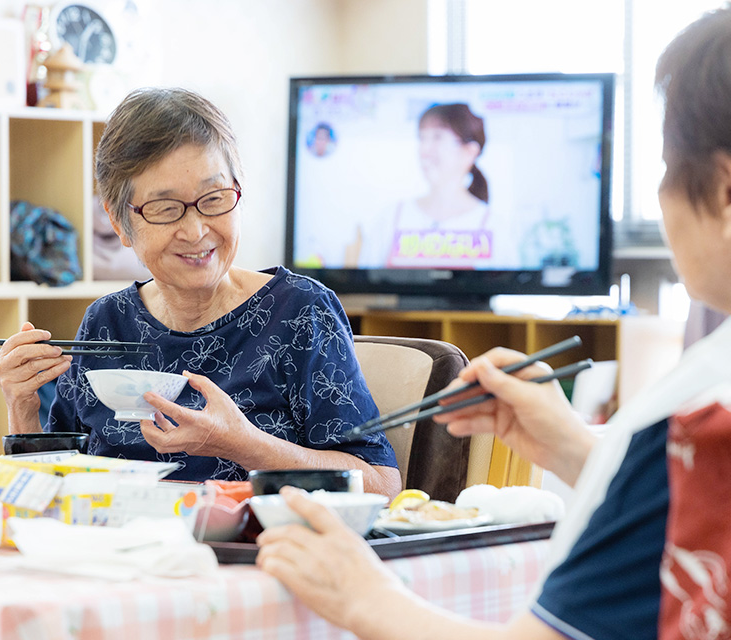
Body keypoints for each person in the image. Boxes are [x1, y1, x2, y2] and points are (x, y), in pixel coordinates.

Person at [256, 8, 731, 639]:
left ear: (723, 191)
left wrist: (364, 596)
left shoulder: (700, 419)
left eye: (666, 168)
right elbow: (692, 512)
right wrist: (571, 446)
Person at [0, 87, 400, 495]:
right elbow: (49, 492)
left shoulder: (299, 311)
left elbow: (382, 484)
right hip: (119, 554)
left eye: (213, 199)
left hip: (261, 554)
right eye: (166, 209)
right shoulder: (107, 322)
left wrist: (244, 445)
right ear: (119, 223)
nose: (196, 230)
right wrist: (22, 407)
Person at [355, 102, 492, 268]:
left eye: (437, 137)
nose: (424, 150)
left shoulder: (492, 224)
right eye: (422, 138)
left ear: (469, 151)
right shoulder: (392, 217)